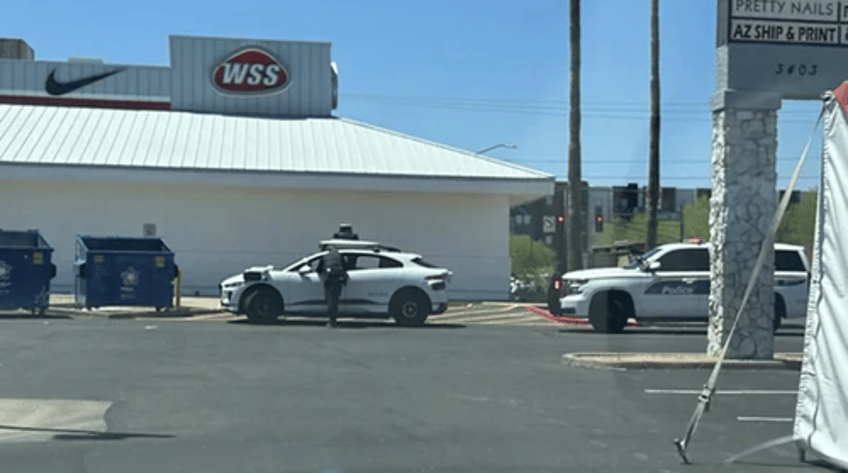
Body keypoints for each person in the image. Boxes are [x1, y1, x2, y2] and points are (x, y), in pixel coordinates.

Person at [317, 245, 348, 327]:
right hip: (338, 276)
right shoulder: (339, 255)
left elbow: (318, 269)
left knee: (331, 300)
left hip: (330, 277)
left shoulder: (324, 256)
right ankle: (333, 319)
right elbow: (346, 267)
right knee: (335, 299)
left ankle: (332, 321)